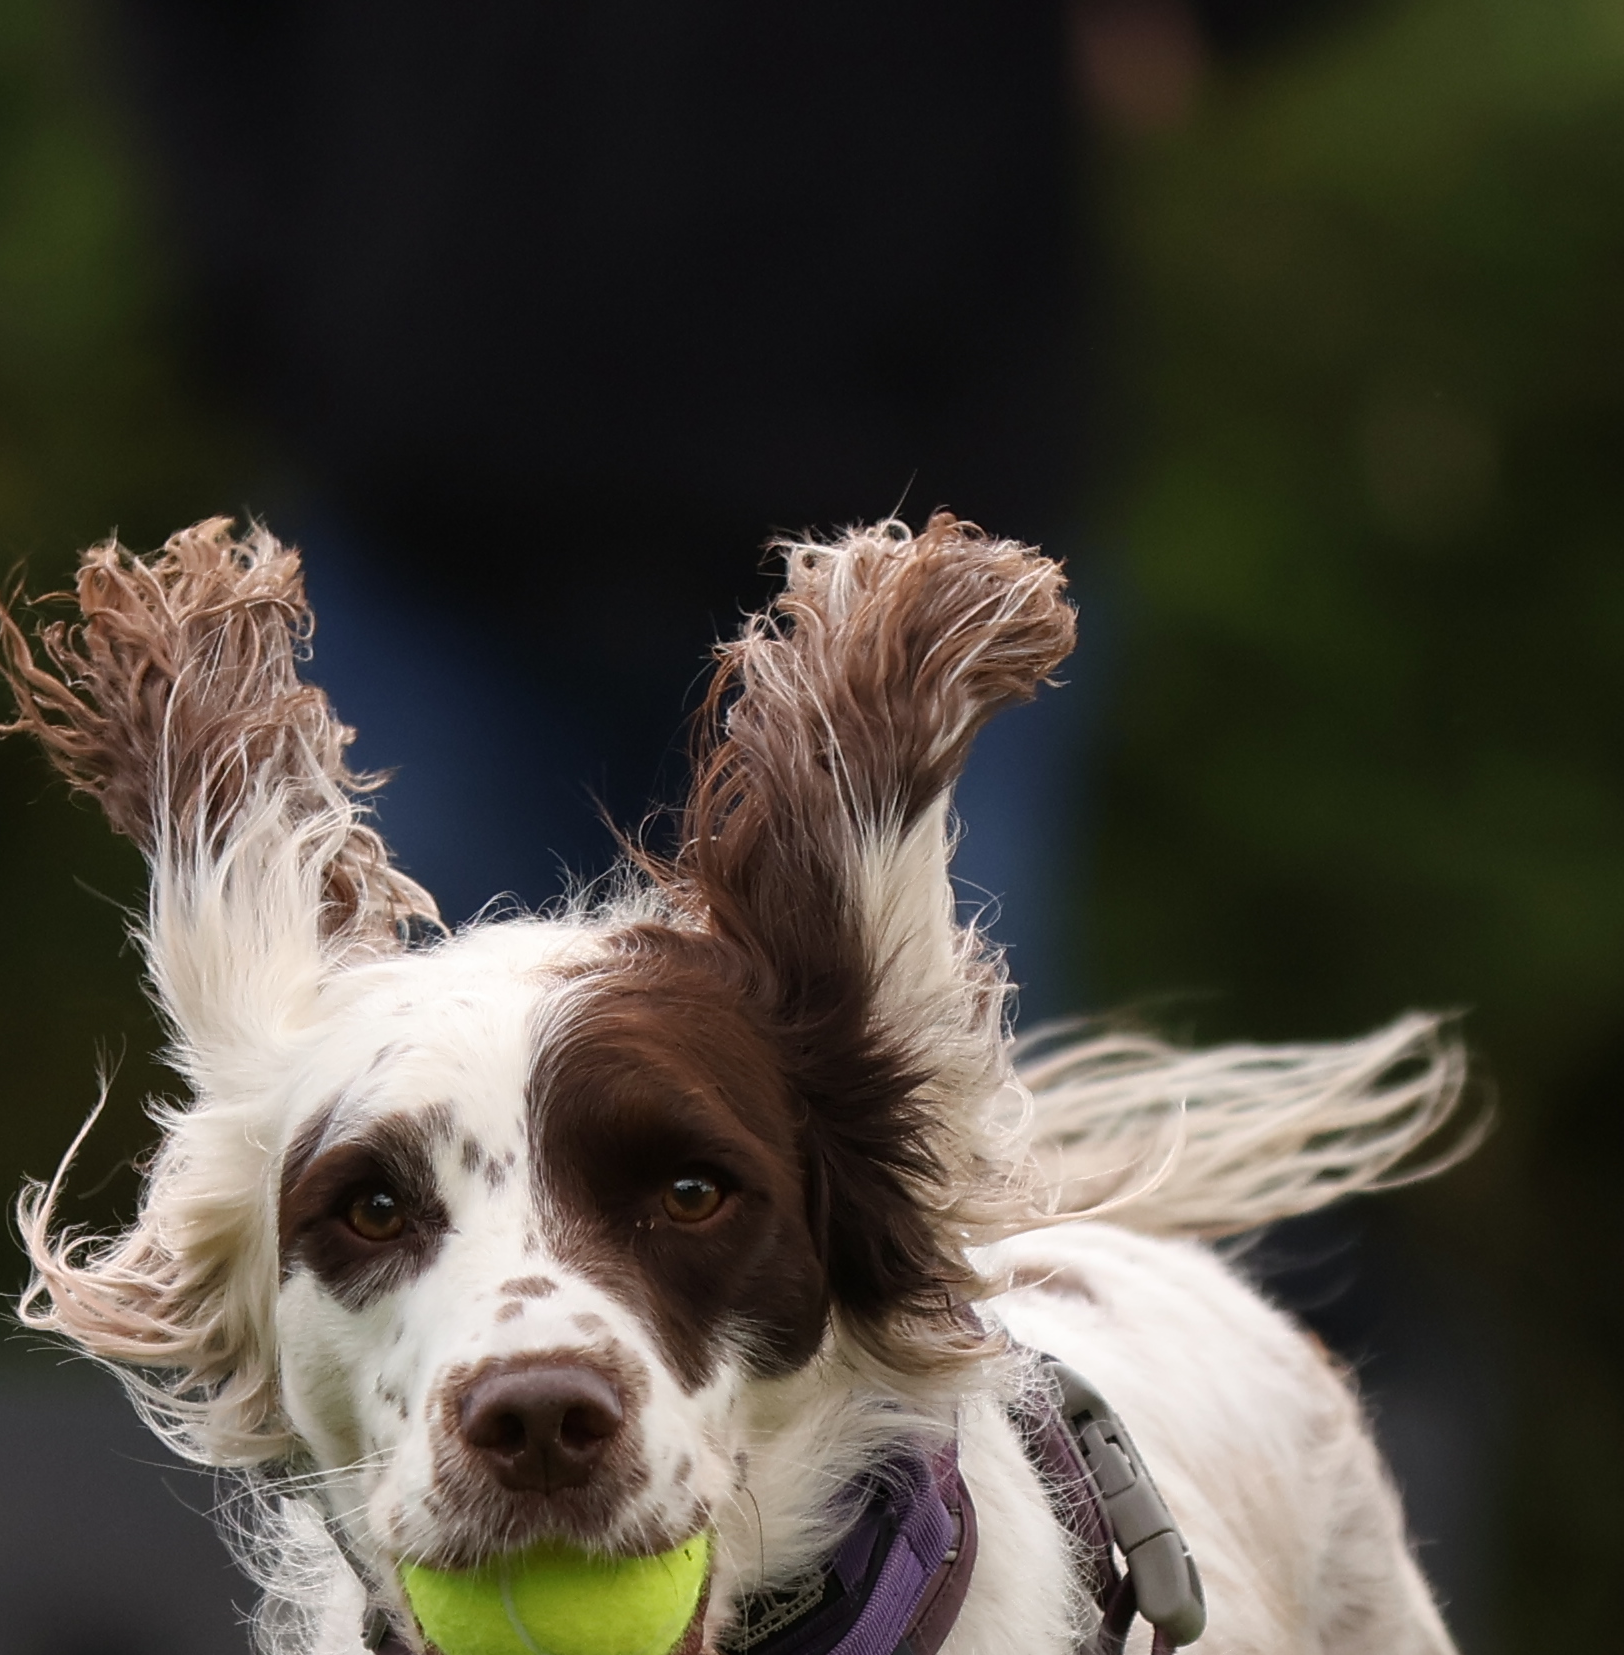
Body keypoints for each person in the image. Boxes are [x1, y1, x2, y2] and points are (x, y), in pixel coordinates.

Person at [102, 0, 1305, 983]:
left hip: (910, 580)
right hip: (426, 559)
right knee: (406, 1193)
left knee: (916, 1219)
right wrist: (283, 294)